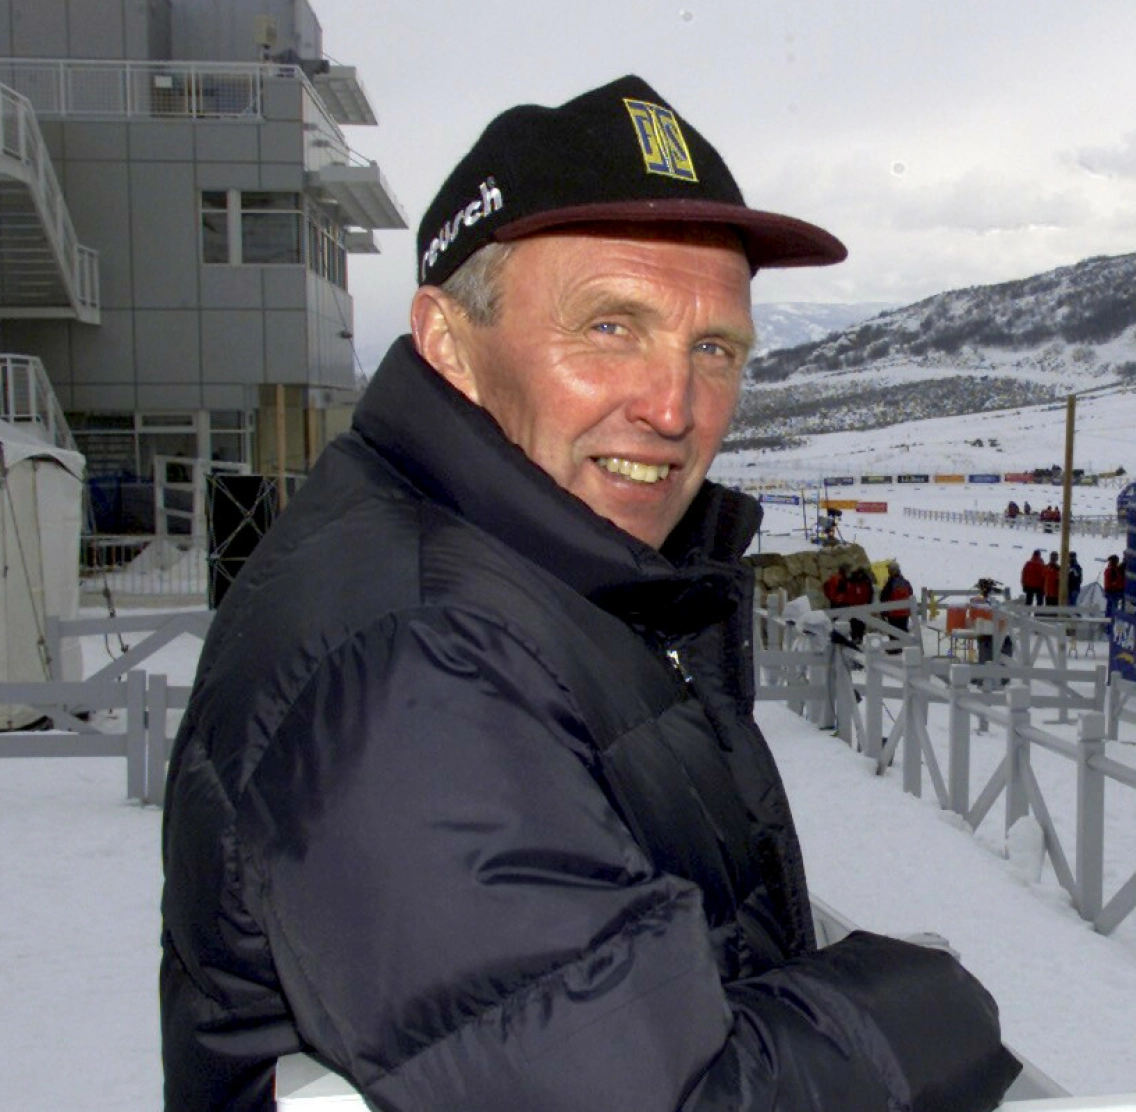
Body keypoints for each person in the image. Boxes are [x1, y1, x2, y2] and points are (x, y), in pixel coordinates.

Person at [160, 76, 1019, 1112]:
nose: (673, 406)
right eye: (611, 326)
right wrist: (930, 1012)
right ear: (448, 342)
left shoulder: (530, 582)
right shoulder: (412, 658)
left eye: (715, 349)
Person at [880, 559, 915, 635]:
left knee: (894, 636)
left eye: (889, 570)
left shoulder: (890, 584)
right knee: (903, 635)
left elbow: (883, 598)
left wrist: (883, 612)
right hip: (904, 614)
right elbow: (911, 595)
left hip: (893, 615)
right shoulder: (906, 583)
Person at [846, 565, 876, 644]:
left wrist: (868, 603)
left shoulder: (866, 582)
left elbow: (870, 593)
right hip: (853, 606)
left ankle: (860, 639)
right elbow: (849, 593)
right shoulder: (852, 581)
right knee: (854, 623)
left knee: (861, 623)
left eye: (861, 574)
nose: (860, 575)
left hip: (863, 605)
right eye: (859, 574)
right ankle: (855, 639)